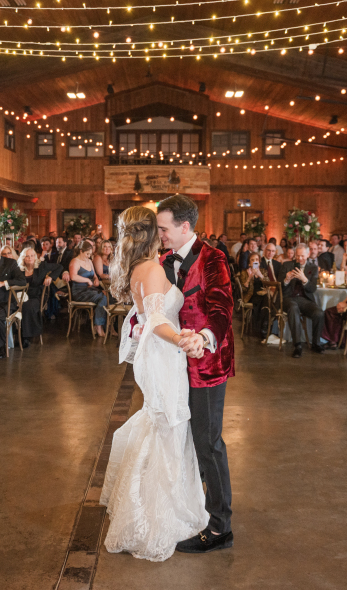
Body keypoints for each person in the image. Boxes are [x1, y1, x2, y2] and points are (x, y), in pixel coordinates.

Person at [99, 206, 208, 562]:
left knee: (158, 421)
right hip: (163, 354)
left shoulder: (137, 269)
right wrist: (182, 340)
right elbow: (158, 319)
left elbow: (145, 315)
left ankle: (140, 502)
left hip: (154, 354)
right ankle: (159, 515)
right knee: (168, 425)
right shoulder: (152, 268)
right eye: (158, 229)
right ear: (149, 234)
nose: (163, 234)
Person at [151, 195, 235, 554]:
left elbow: (222, 308)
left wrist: (203, 337)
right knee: (183, 439)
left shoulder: (213, 258)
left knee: (208, 443)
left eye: (164, 228)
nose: (160, 235)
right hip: (173, 365)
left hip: (207, 364)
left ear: (185, 227)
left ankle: (220, 527)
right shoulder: (163, 260)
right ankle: (192, 508)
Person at [281, 242, 325, 357]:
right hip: (288, 298)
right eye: (298, 255)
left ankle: (316, 343)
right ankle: (297, 345)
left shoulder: (313, 268)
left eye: (302, 256)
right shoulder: (286, 265)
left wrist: (304, 280)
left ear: (308, 254)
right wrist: (286, 279)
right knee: (293, 307)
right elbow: (279, 287)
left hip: (305, 299)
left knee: (319, 313)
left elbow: (312, 289)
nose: (300, 258)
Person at [18, 246, 63, 347]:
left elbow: (59, 267)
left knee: (27, 306)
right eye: (27, 256)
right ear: (23, 258)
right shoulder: (19, 269)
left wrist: (51, 277)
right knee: (14, 305)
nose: (30, 258)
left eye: (32, 256)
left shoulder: (42, 266)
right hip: (21, 296)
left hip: (37, 296)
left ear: (35, 257)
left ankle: (26, 337)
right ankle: (13, 335)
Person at [69, 241, 108, 337]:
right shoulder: (75, 261)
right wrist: (87, 280)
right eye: (87, 254)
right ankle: (98, 325)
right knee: (102, 298)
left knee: (108, 296)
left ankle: (107, 326)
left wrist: (96, 280)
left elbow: (94, 275)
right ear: (81, 251)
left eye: (90, 254)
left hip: (90, 290)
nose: (88, 256)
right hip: (80, 292)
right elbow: (73, 276)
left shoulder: (90, 261)